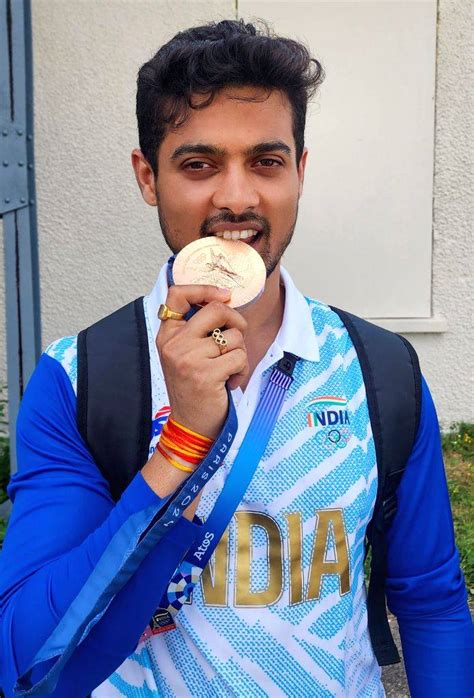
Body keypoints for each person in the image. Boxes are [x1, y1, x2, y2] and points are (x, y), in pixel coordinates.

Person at [0, 18, 472, 698]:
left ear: (300, 173)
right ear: (147, 177)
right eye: (198, 165)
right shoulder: (80, 381)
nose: (237, 198)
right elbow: (24, 651)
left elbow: (430, 601)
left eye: (266, 162)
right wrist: (182, 444)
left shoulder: (379, 370)